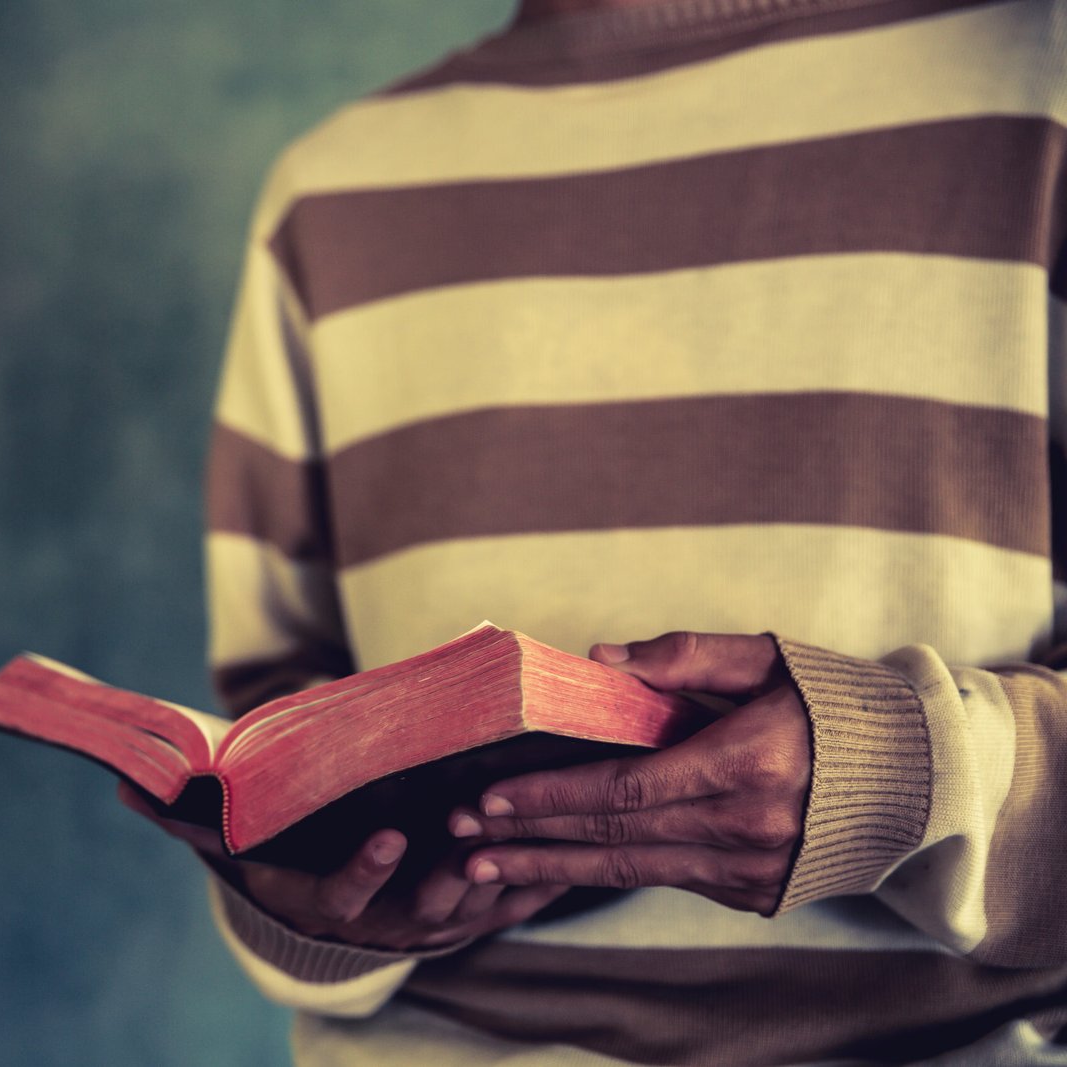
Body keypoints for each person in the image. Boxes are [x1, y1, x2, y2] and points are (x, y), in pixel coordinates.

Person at [131, 0, 1067, 1061]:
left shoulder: (1041, 90)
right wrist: (319, 907)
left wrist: (906, 780)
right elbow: (279, 716)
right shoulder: (329, 193)